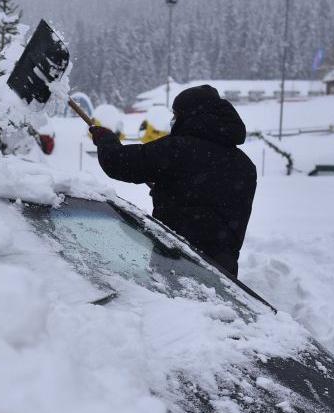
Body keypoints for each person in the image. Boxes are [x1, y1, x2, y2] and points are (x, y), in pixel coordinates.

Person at [88, 84, 256, 277]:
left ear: (190, 116)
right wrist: (170, 191)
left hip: (175, 265)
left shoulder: (178, 149)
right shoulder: (245, 166)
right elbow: (210, 204)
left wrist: (106, 139)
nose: (173, 121)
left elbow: (118, 163)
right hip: (223, 275)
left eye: (176, 115)